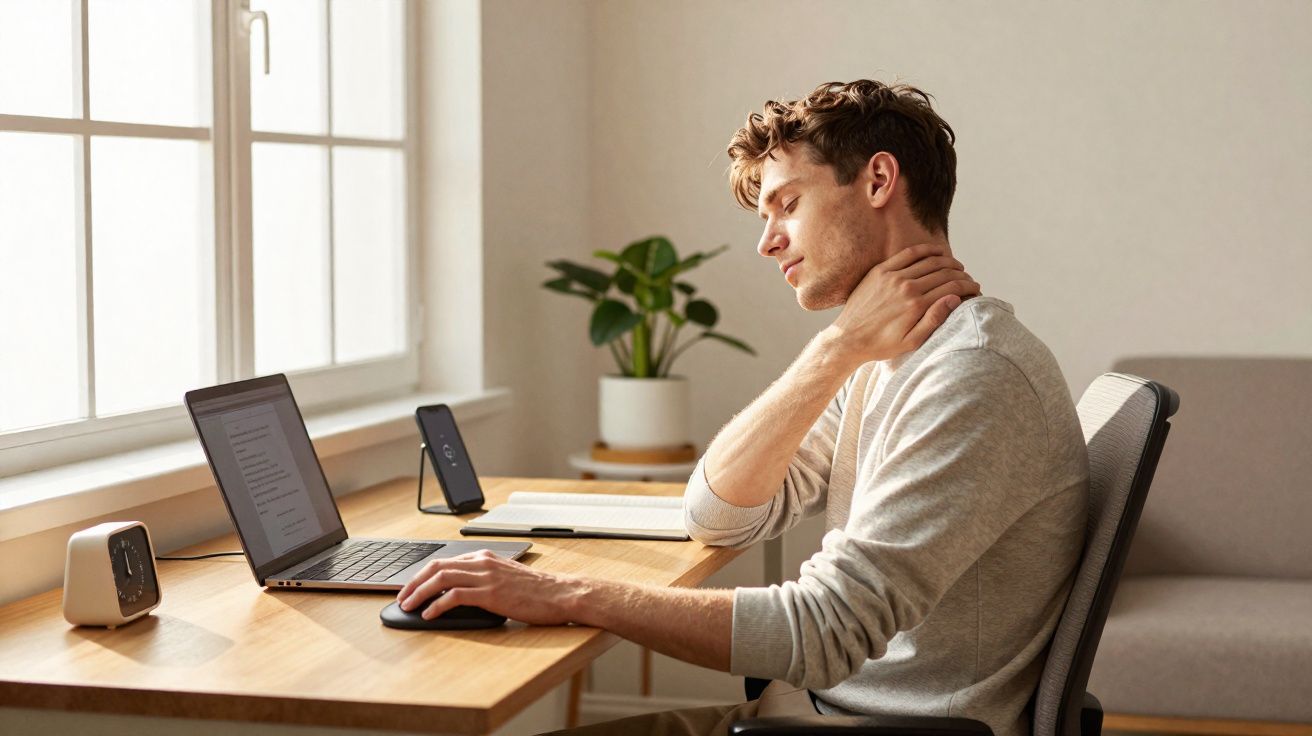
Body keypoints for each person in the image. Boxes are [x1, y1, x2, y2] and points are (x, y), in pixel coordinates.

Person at [395, 79, 1089, 736]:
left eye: (788, 203)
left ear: (879, 181)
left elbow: (823, 631)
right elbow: (717, 516)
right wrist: (836, 349)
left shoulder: (971, 375)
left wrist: (565, 595)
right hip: (819, 713)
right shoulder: (887, 352)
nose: (767, 241)